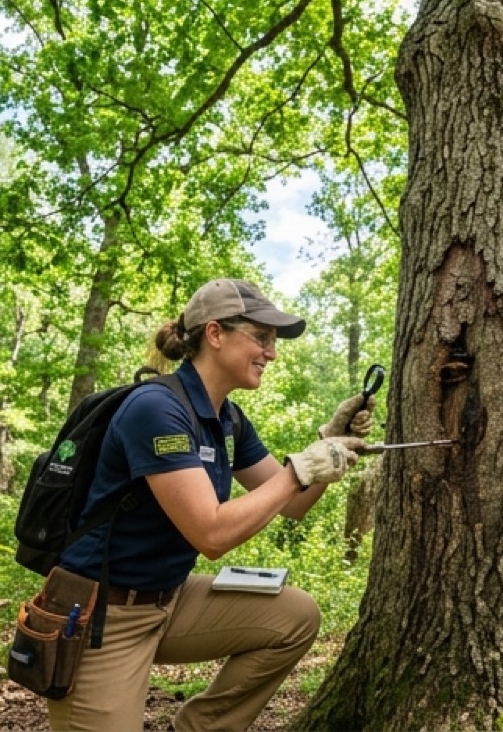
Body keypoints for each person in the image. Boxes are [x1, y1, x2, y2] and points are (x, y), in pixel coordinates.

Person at [47, 277, 376, 732]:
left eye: (273, 341)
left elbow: (290, 504)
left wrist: (328, 441)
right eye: (261, 338)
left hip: (170, 598)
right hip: (105, 614)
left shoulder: (227, 419)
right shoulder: (157, 408)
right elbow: (212, 533)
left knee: (294, 617)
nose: (272, 353)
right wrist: (301, 469)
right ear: (216, 334)